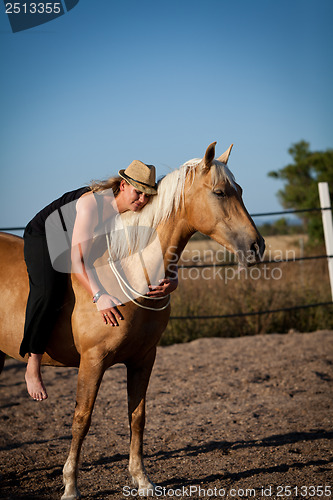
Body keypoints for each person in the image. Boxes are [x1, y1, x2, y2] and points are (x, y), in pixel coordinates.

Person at [20, 160, 178, 402]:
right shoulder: (91, 205)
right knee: (47, 292)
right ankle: (33, 364)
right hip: (46, 236)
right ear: (123, 185)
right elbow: (77, 259)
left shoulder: (135, 209)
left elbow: (152, 250)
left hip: (79, 239)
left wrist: (173, 279)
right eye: (138, 192)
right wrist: (99, 296)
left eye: (148, 195)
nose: (143, 200)